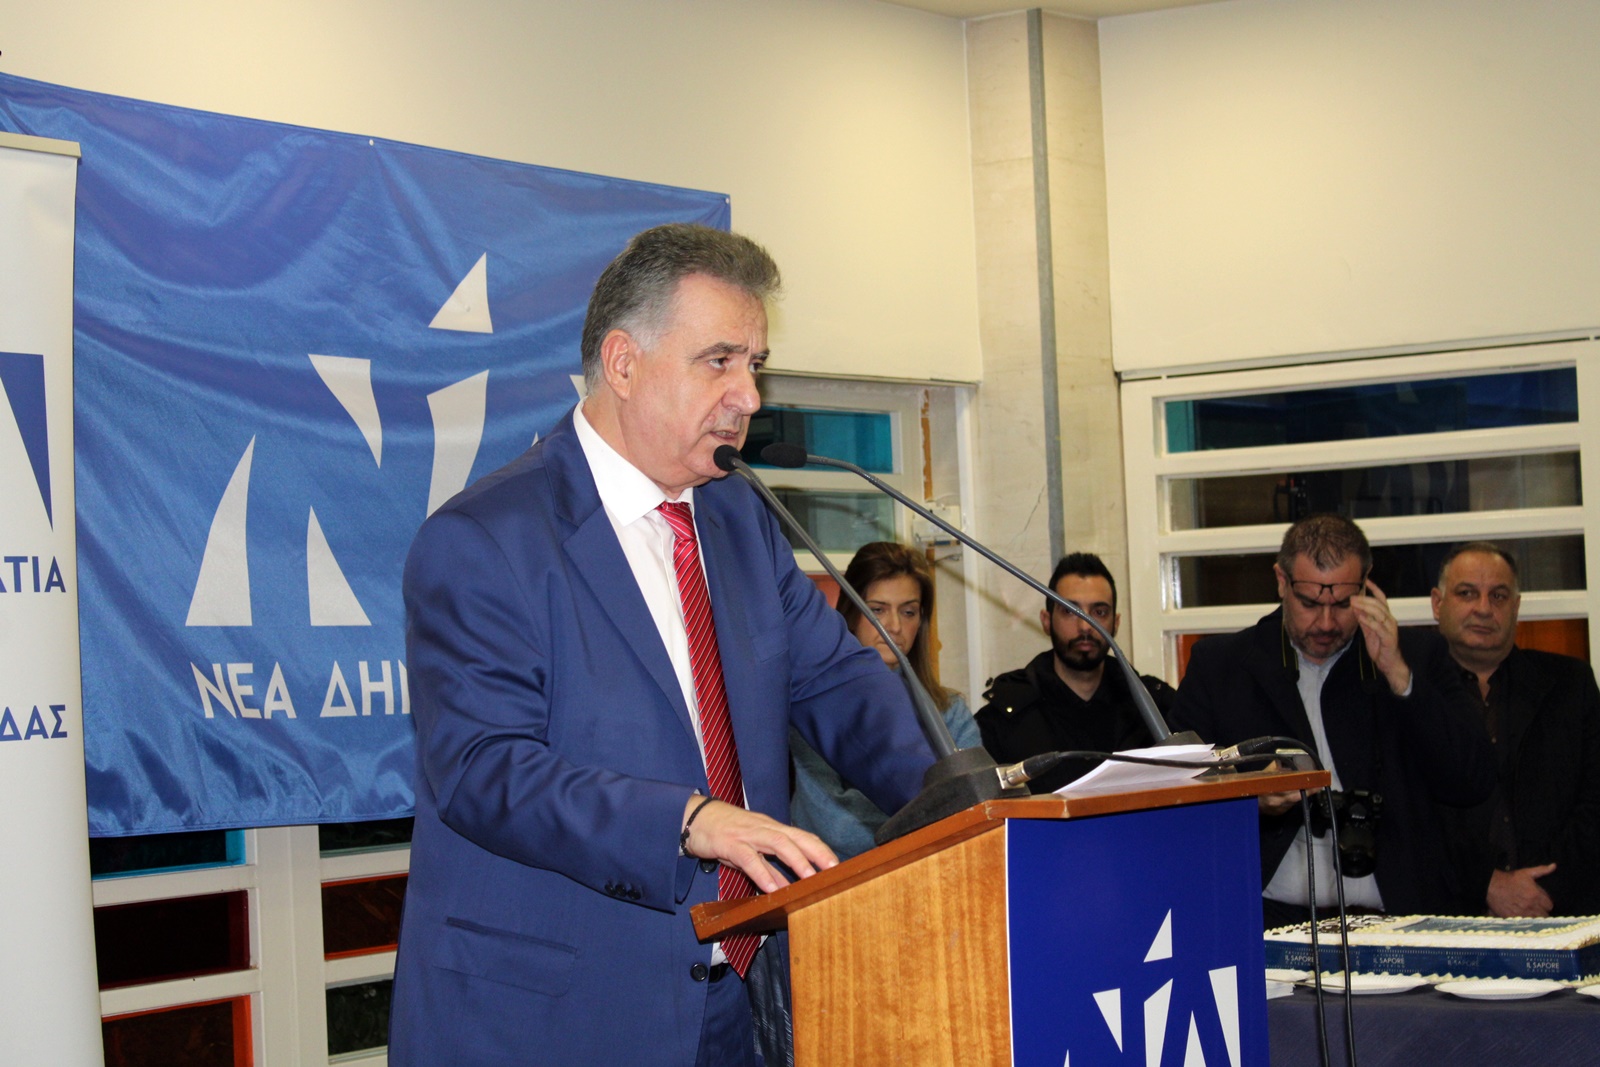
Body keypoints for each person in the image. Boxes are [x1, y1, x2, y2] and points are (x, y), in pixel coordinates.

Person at [388, 224, 936, 1067]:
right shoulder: (486, 539)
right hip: (559, 1017)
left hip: (739, 1001)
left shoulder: (741, 518)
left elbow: (839, 684)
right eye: (720, 361)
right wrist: (687, 820)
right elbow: (481, 768)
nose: (748, 396)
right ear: (623, 362)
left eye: (755, 364)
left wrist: (967, 795)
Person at [1169, 514, 1495, 929]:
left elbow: (1472, 780)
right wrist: (1250, 797)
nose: (1326, 623)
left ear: (1367, 585)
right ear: (1281, 582)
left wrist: (1399, 676)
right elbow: (1174, 790)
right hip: (1267, 919)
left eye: (1343, 604)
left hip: (1401, 919)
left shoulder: (1417, 656)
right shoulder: (1222, 667)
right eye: (1309, 604)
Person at [1430, 542, 1600, 917]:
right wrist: (1486, 884)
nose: (1484, 608)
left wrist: (1539, 891)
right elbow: (1406, 819)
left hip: (1562, 913)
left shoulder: (1571, 685)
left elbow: (1594, 802)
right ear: (1437, 604)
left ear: (1516, 607)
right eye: (1467, 593)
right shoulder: (1411, 693)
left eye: (1499, 595)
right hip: (1445, 918)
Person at [789, 541, 983, 860]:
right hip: (835, 878)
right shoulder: (816, 704)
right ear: (850, 613)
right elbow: (834, 826)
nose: (893, 626)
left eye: (908, 612)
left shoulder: (950, 710)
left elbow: (971, 814)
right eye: (877, 610)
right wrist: (927, 821)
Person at [974, 552, 1175, 793]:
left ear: (1116, 623)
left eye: (1099, 612)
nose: (1085, 626)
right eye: (1070, 611)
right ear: (1046, 621)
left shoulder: (1154, 707)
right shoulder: (1004, 718)